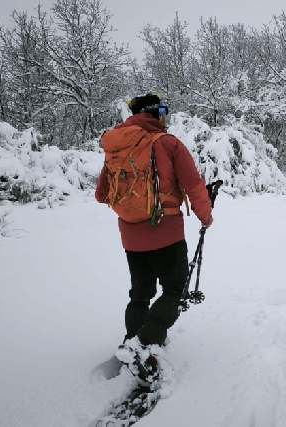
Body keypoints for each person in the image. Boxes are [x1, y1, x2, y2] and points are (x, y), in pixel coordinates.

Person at [95, 94, 213, 374]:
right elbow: (194, 186)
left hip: (130, 235)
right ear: (156, 114)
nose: (167, 119)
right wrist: (205, 217)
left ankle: (131, 341)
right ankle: (144, 344)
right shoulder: (168, 143)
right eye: (165, 113)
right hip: (167, 232)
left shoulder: (116, 147)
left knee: (140, 294)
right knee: (174, 290)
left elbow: (101, 195)